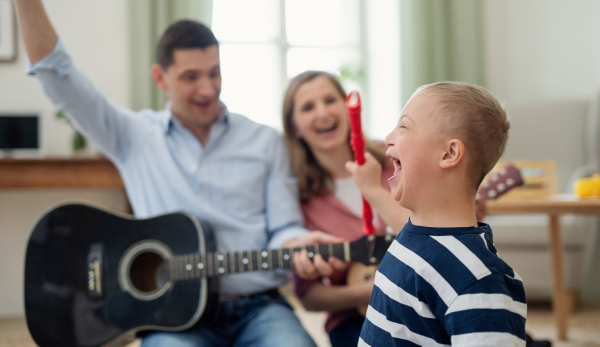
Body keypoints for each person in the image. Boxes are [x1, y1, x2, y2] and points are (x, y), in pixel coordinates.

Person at [14, 2, 340, 346]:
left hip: (260, 308)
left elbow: (283, 229)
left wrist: (297, 244)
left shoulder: (264, 141)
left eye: (214, 73)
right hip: (173, 321)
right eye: (191, 77)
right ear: (160, 77)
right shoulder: (132, 136)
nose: (207, 88)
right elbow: (57, 76)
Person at [347, 81, 527, 346]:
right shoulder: (413, 235)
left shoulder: (479, 282)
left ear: (449, 153)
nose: (387, 138)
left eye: (403, 127)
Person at [281, 70, 411, 347]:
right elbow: (308, 297)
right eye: (307, 107)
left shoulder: (395, 157)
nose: (323, 113)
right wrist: (368, 292)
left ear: (347, 105)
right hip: (354, 319)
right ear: (294, 127)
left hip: (423, 300)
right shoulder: (297, 199)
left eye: (330, 100)